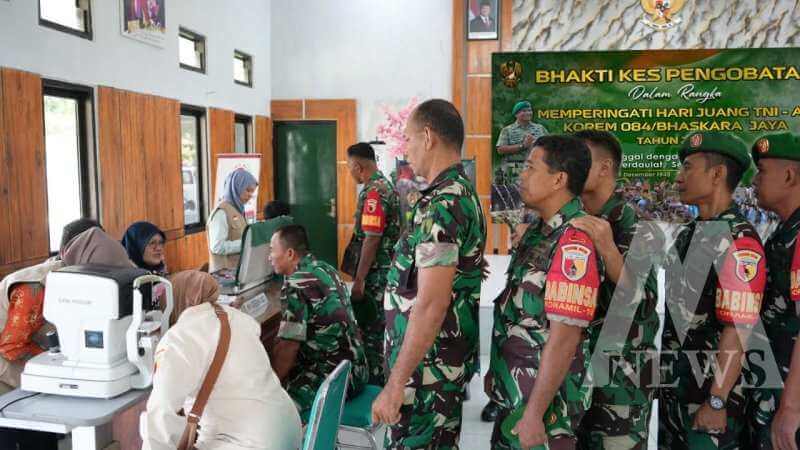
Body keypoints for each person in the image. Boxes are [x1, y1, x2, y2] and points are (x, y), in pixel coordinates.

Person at [371, 99, 486, 449]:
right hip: (435, 368)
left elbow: (431, 304)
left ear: (428, 136)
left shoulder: (443, 204)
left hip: (425, 376)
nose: (406, 151)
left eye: (408, 140)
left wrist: (395, 384)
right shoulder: (457, 194)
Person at [486, 135, 603, 450]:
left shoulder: (573, 242)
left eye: (529, 167)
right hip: (516, 396)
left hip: (545, 411)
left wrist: (535, 414)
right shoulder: (539, 232)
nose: (521, 176)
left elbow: (565, 337)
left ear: (559, 180)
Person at [659, 132, 766, 449]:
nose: (679, 178)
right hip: (678, 391)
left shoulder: (738, 238)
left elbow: (739, 326)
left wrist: (717, 400)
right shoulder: (691, 232)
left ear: (717, 174)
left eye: (688, 168)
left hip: (710, 400)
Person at [570, 131, 661, 450]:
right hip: (579, 373)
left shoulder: (634, 225)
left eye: (581, 161)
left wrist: (608, 249)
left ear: (605, 168)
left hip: (623, 378)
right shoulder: (576, 221)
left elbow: (644, 302)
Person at [141, 270, 302, 450]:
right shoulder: (239, 318)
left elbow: (161, 413)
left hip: (249, 443)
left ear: (175, 300)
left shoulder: (180, 337)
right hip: (288, 430)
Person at [0, 218, 104, 450]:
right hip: (5, 375)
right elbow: (10, 347)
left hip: (27, 374)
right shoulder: (35, 288)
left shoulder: (75, 279)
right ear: (69, 252)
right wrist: (59, 366)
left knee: (43, 438)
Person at [269, 224, 368, 417]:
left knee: (272, 408)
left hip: (333, 382)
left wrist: (268, 386)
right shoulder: (326, 268)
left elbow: (289, 348)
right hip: (357, 371)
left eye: (272, 250)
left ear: (289, 253)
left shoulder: (296, 283)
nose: (269, 256)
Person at [745, 133, 800, 450]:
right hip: (773, 388)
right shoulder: (786, 230)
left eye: (762, 170)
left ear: (790, 175)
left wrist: (791, 407)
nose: (754, 180)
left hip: (787, 398)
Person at [344, 142, 401, 385]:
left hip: (376, 275)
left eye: (349, 167)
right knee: (380, 330)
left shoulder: (373, 193)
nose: (349, 172)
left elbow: (372, 238)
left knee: (372, 333)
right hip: (385, 271)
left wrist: (360, 280)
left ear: (358, 166)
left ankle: (375, 388)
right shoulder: (386, 185)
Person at [208, 168, 259, 272]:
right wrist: (245, 243)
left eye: (252, 192)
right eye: (247, 190)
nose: (250, 195)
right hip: (224, 275)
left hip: (238, 272)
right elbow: (217, 246)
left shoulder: (238, 209)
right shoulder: (221, 213)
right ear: (236, 187)